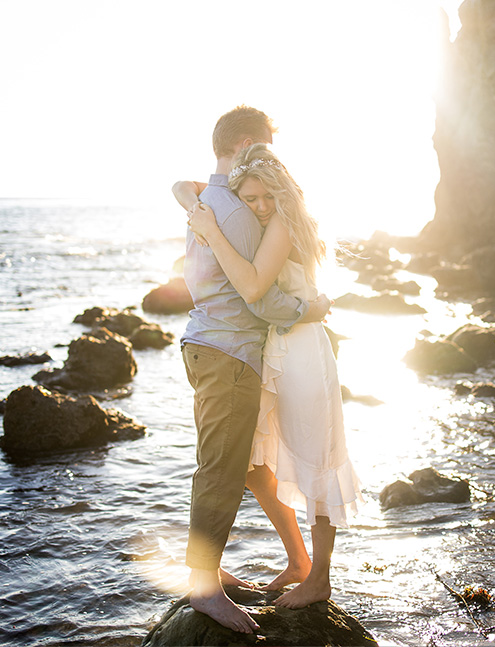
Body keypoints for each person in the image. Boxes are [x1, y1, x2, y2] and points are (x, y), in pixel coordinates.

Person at [175, 142, 363, 612]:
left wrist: (211, 231)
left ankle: (318, 578)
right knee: (256, 463)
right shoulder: (260, 219)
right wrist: (191, 202)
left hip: (300, 350)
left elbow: (259, 295)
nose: (259, 207)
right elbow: (185, 185)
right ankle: (299, 560)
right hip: (274, 347)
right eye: (250, 199)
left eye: (266, 197)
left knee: (315, 459)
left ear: (283, 194)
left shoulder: (282, 223)